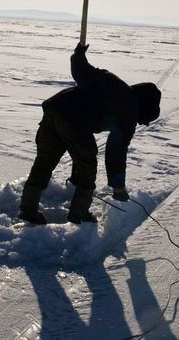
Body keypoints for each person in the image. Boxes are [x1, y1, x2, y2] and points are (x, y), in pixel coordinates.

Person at [19, 43, 162, 225]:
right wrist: (118, 187)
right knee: (87, 162)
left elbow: (82, 71)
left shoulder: (112, 81)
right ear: (145, 106)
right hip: (74, 120)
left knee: (45, 160)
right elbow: (115, 151)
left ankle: (28, 207)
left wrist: (78, 55)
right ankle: (79, 213)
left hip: (55, 107)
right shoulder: (130, 111)